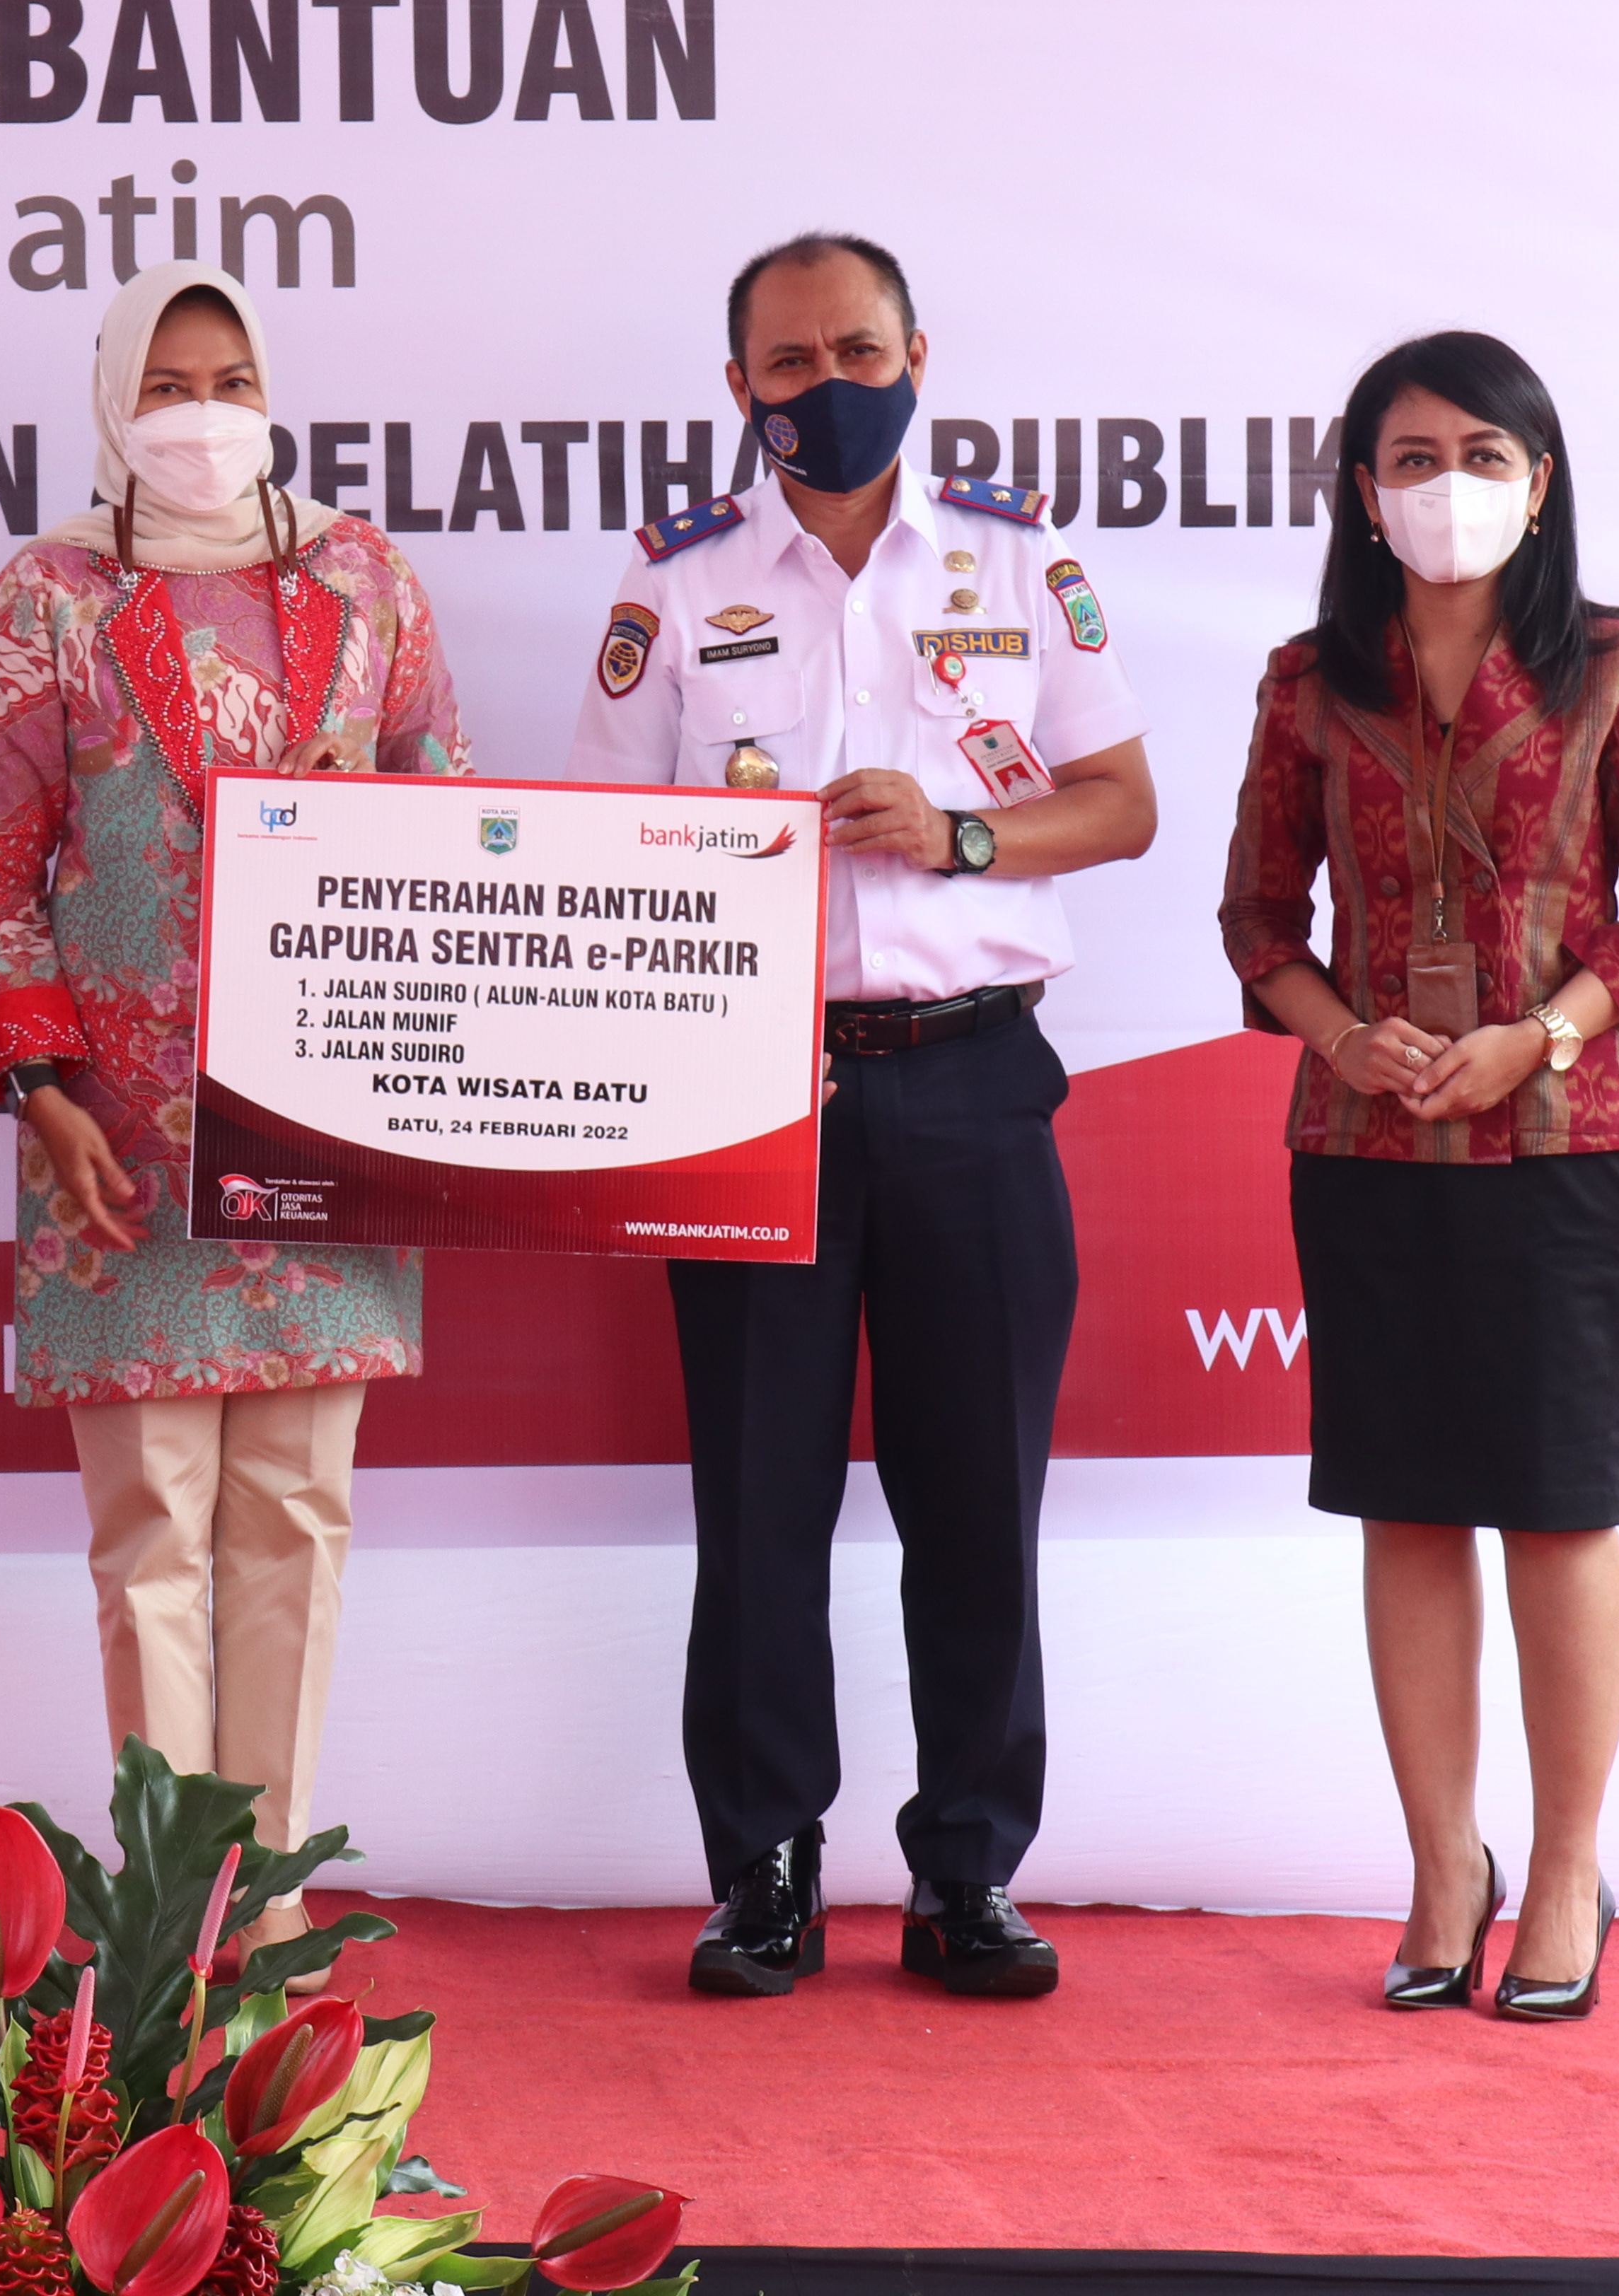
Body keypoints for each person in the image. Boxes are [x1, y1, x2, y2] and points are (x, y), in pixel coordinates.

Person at [568, 231, 1154, 2001]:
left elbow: (1120, 803)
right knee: (759, 1505)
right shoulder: (676, 581)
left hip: (975, 1076)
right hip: (755, 1092)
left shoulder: (1015, 554)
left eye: (858, 351)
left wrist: (964, 832)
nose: (828, 385)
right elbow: (610, 850)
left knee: (979, 1499)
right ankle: (764, 1868)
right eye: (790, 360)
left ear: (918, 354)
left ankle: (969, 1869)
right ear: (737, 384)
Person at [0, 260, 470, 1966]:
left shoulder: (365, 579)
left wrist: (370, 809)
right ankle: (173, 1914)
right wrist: (43, 1094)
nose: (202, 412)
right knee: (154, 1530)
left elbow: (457, 824)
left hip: (327, 1114)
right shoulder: (49, 592)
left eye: (230, 378)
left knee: (296, 1520)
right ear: (118, 398)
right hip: (119, 1138)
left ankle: (276, 1899)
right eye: (168, 383)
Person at [1218, 330, 1619, 2022]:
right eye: (1414, 459)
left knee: (1560, 1504)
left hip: (1569, 1143)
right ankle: (1446, 1865)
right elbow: (1256, 919)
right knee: (1408, 1502)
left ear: (1540, 480)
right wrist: (1345, 1037)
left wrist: (1541, 1036)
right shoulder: (1309, 679)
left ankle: (1568, 1867)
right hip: (1368, 1145)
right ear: (1364, 492)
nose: (1449, 488)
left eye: (1483, 455)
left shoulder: (1618, 659)